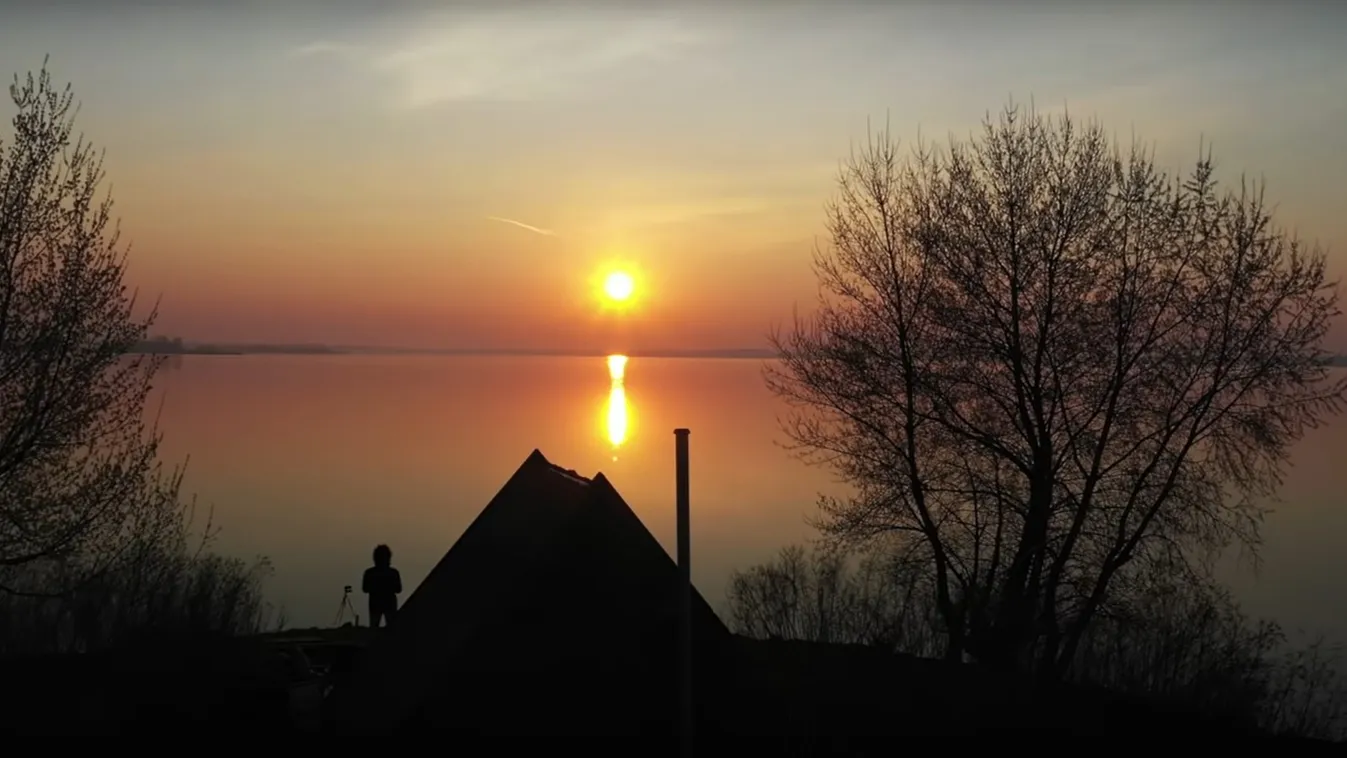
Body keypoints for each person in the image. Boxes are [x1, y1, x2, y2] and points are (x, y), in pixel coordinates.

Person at [362, 544, 402, 628]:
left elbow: (365, 589)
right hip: (389, 603)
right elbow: (398, 589)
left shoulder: (370, 573)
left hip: (375, 602)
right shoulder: (393, 573)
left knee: (374, 627)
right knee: (392, 627)